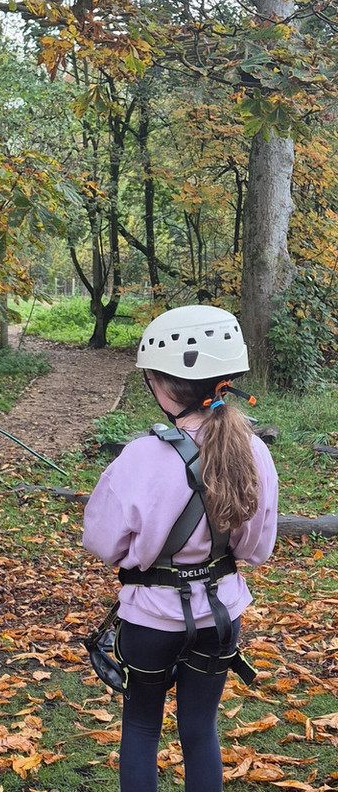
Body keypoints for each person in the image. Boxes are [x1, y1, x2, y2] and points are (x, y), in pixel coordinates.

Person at [83, 305, 279, 792]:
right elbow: (256, 548)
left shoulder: (141, 456)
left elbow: (102, 541)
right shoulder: (253, 450)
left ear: (163, 386)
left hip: (150, 619)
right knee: (199, 730)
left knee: (143, 726)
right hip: (220, 616)